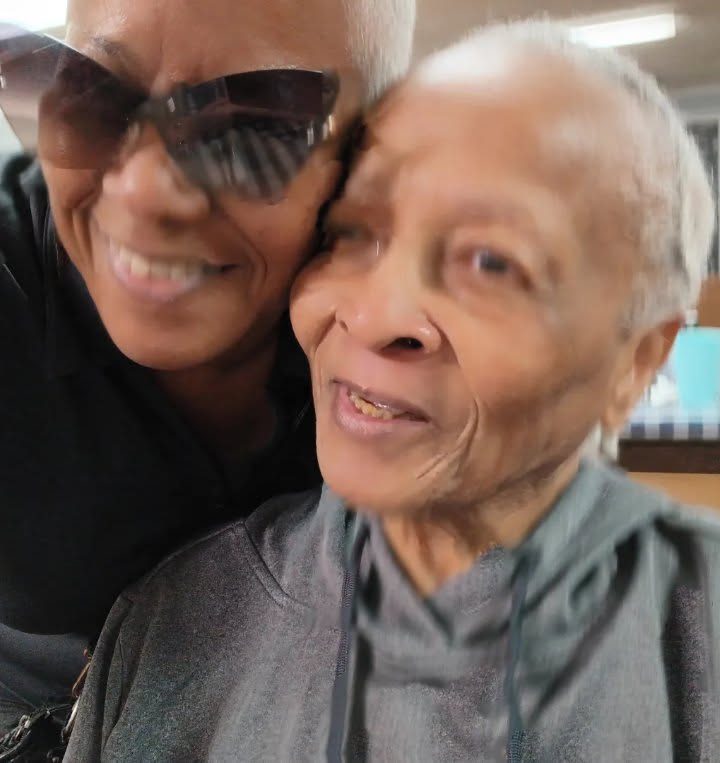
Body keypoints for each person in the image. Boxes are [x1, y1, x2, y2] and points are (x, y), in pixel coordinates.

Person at [66, 22, 720, 762]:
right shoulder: (177, 621)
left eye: (491, 262)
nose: (373, 317)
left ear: (635, 359)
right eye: (352, 233)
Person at [0, 0, 416, 733]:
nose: (143, 193)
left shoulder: (412, 337)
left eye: (252, 132)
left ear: (365, 160)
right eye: (91, 96)